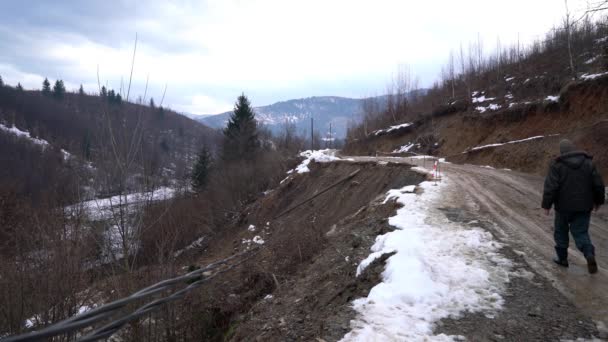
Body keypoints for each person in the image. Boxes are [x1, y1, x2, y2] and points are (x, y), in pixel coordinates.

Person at [542, 139, 605, 274]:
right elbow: (598, 185)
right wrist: (598, 201)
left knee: (561, 231)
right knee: (581, 232)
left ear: (562, 151)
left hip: (563, 207)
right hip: (584, 207)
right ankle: (589, 254)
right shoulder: (588, 163)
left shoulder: (556, 165)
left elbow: (551, 187)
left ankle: (562, 259)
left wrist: (546, 205)